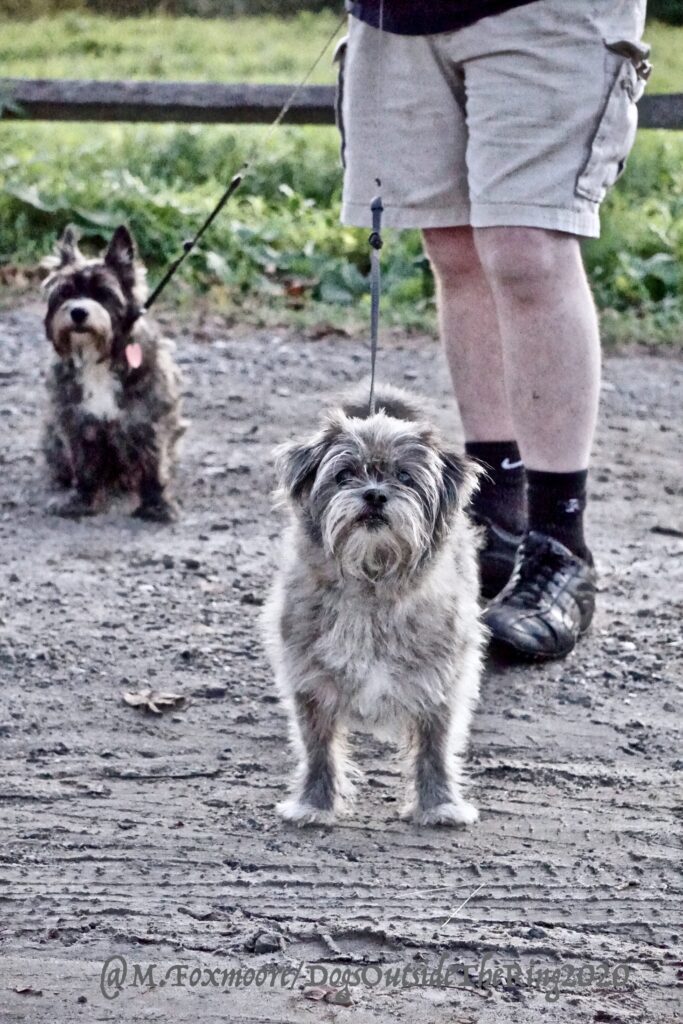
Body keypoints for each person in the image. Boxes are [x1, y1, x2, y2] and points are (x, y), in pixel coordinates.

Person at [336, 0, 650, 659]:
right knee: (452, 246)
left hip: (544, 11)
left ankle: (558, 549)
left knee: (525, 245)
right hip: (397, 18)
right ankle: (495, 520)